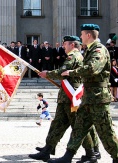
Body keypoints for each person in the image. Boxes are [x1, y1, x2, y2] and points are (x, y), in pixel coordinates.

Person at [47, 24, 118, 163]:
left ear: (88, 35)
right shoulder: (90, 50)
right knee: (79, 127)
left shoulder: (99, 50)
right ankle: (68, 156)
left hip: (98, 98)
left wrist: (72, 72)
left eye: (82, 34)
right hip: (89, 97)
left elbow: (93, 69)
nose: (80, 37)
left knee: (105, 131)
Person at [29, 35, 100, 163]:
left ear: (72, 45)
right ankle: (47, 150)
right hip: (65, 97)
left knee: (78, 127)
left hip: (71, 98)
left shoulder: (73, 56)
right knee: (57, 125)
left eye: (65, 44)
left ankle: (91, 154)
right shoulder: (76, 56)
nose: (63, 46)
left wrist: (47, 73)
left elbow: (63, 71)